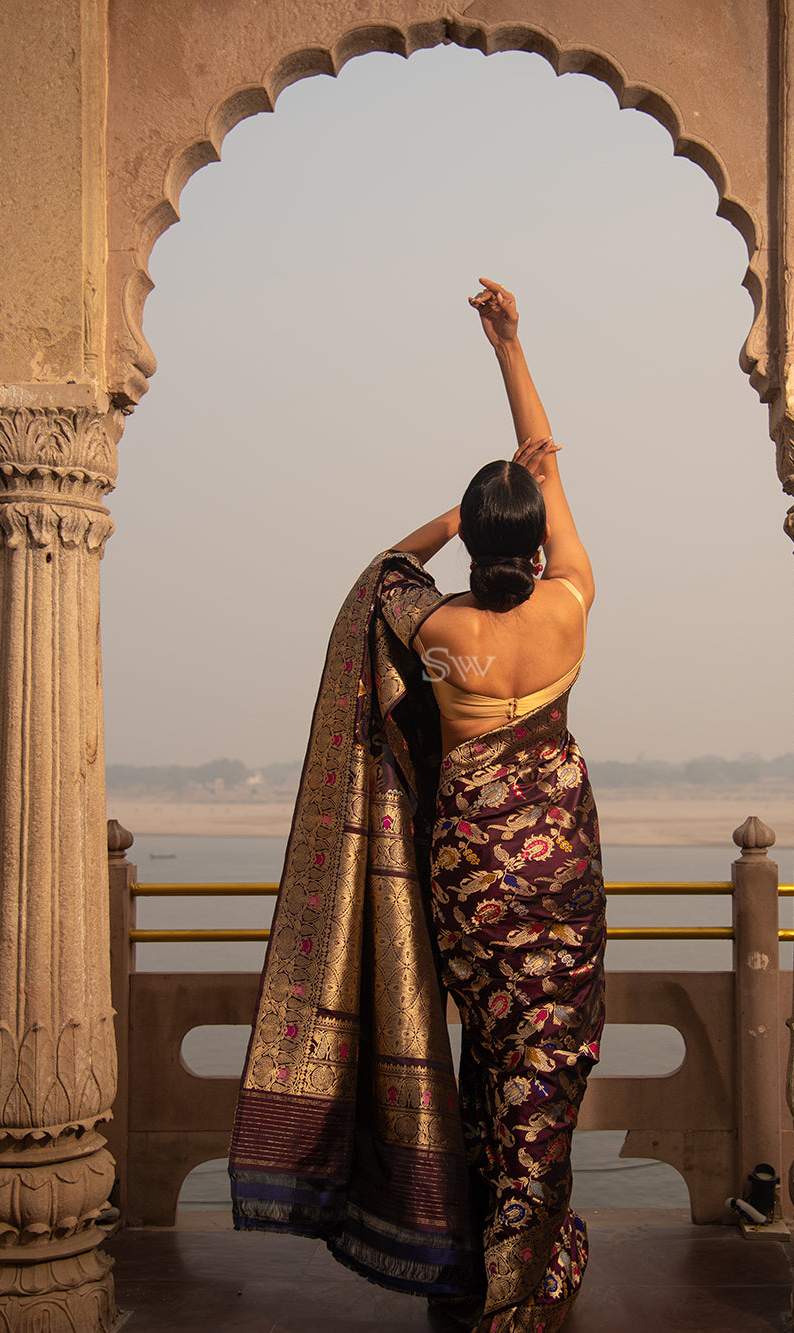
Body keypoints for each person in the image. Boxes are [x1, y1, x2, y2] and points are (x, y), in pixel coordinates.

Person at [229, 281, 604, 1333]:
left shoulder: (436, 629)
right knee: (545, 1063)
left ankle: (484, 1249)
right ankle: (529, 1265)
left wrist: (456, 508)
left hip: (470, 881)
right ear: (533, 548)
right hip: (559, 879)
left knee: (486, 1059)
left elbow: (378, 575)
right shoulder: (569, 603)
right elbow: (551, 464)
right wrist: (513, 352)